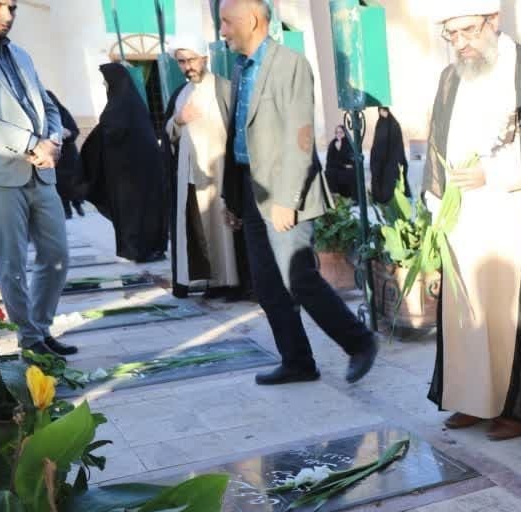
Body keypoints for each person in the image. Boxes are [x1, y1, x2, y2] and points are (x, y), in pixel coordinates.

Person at [424, 0, 521, 440]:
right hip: (462, 220)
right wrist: (435, 204)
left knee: (510, 317)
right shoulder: (450, 77)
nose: (460, 42)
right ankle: (473, 400)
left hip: (513, 214)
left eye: (468, 30)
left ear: (493, 21)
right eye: (451, 34)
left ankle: (518, 408)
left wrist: (491, 175)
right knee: (467, 313)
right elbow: (436, 141)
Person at [218, 0, 378, 386]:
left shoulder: (290, 64)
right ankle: (298, 361)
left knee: (298, 277)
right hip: (249, 188)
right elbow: (238, 136)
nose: (222, 31)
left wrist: (287, 199)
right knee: (266, 283)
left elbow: (300, 136)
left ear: (252, 20)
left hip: (285, 190)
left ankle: (359, 342)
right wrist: (232, 198)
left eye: (226, 22)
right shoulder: (240, 68)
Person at [0, 0, 74, 359]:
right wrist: (30, 143)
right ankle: (30, 338)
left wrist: (53, 141)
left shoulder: (20, 53)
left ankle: (40, 326)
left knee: (56, 255)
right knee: (11, 263)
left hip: (41, 170)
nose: (7, 16)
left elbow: (48, 106)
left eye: (13, 7)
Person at [164, 38, 244, 301]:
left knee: (225, 229)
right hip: (190, 175)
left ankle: (235, 283)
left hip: (220, 174)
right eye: (181, 62)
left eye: (191, 60)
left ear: (205, 59)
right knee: (200, 231)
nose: (187, 66)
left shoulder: (224, 88)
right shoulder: (180, 94)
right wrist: (178, 120)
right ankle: (214, 281)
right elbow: (169, 132)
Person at [82, 62, 169, 263]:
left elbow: (112, 132)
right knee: (141, 212)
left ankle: (141, 250)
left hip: (130, 175)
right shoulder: (130, 104)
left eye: (106, 82)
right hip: (133, 172)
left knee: (135, 213)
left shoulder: (120, 106)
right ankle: (148, 248)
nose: (104, 85)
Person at [47, 89, 85, 219]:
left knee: (73, 182)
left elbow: (75, 131)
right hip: (54, 156)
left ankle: (77, 204)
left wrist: (67, 133)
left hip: (69, 156)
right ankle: (66, 210)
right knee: (60, 185)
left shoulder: (63, 112)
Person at [369, 106, 406, 205]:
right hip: (379, 158)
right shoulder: (379, 123)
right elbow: (376, 141)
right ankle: (379, 199)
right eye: (380, 111)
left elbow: (397, 143)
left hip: (391, 158)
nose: (382, 113)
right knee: (378, 176)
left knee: (389, 179)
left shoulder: (394, 124)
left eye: (384, 111)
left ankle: (390, 200)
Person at [323, 123, 359, 202]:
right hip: (336, 168)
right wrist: (343, 165)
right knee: (328, 173)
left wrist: (345, 165)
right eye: (337, 132)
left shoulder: (349, 144)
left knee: (351, 173)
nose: (338, 134)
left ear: (345, 133)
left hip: (345, 169)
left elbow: (351, 160)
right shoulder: (332, 144)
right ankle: (333, 199)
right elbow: (330, 160)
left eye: (341, 132)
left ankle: (353, 198)